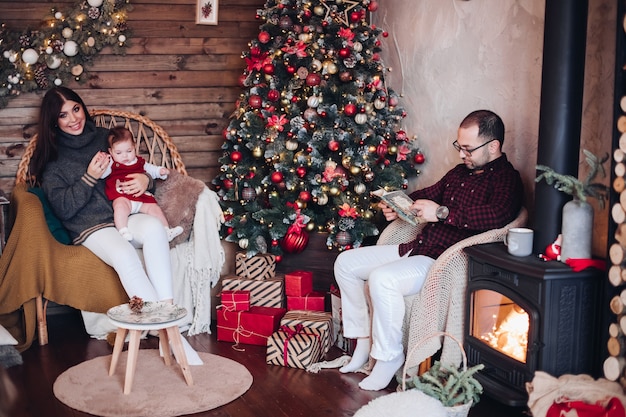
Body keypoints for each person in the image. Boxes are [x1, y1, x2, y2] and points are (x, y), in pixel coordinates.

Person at [334, 110, 524, 391]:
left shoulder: (507, 179)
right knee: (344, 263)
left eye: (468, 148)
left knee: (382, 279)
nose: (462, 154)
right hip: (416, 247)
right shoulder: (459, 173)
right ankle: (363, 339)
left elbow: (496, 216)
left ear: (493, 146)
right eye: (459, 147)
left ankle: (389, 357)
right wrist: (398, 204)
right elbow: (428, 194)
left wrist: (442, 213)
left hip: (440, 261)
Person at [29, 86, 201, 364]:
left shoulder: (103, 138)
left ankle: (167, 314)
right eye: (63, 115)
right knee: (125, 256)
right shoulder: (53, 159)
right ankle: (172, 335)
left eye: (76, 108)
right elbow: (64, 209)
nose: (74, 118)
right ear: (53, 121)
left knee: (157, 229)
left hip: (125, 214)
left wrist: (146, 180)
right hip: (90, 226)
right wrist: (89, 177)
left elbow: (136, 165)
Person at [102, 126, 183, 242]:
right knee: (119, 207)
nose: (125, 156)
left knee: (154, 209)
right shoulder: (112, 164)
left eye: (129, 151)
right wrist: (103, 162)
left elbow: (150, 169)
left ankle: (166, 230)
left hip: (140, 197)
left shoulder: (139, 162)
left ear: (134, 147)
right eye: (119, 152)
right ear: (111, 151)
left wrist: (160, 171)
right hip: (123, 196)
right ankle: (122, 230)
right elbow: (102, 174)